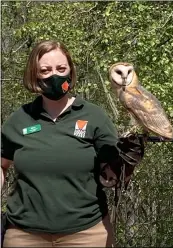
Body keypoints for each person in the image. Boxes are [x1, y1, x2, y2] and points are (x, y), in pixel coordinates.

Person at [1, 40, 144, 247]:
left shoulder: (94, 116)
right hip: (24, 234)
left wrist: (127, 161)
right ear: (35, 75)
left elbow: (112, 175)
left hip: (86, 233)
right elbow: (2, 164)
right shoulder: (20, 119)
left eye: (61, 68)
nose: (54, 76)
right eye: (45, 70)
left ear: (70, 71)